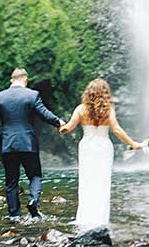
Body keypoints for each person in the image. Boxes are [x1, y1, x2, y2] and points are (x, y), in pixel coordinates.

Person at [0, 68, 66, 219]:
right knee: (35, 176)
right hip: (28, 143)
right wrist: (58, 122)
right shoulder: (32, 95)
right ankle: (33, 200)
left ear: (11, 80)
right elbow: (44, 114)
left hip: (8, 145)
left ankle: (15, 216)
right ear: (25, 80)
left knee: (11, 182)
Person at [59, 78, 143, 227]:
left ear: (88, 93)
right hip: (104, 147)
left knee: (87, 181)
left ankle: (85, 218)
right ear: (105, 93)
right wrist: (133, 144)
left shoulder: (80, 109)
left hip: (87, 147)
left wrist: (61, 126)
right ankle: (101, 219)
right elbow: (116, 130)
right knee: (103, 182)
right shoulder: (109, 110)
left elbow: (69, 127)